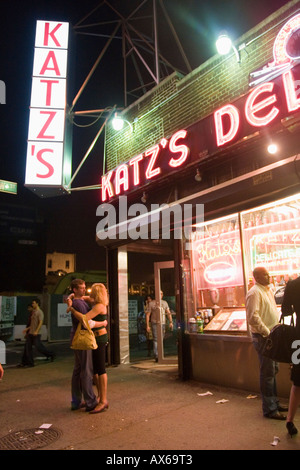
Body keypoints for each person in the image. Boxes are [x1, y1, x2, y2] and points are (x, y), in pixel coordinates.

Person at [246, 267, 288, 420]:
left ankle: (274, 403)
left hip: (272, 336)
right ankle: (269, 409)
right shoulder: (254, 292)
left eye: (268, 273)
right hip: (264, 337)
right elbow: (253, 317)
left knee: (273, 370)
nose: (268, 276)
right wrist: (267, 332)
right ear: (256, 277)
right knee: (267, 373)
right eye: (264, 274)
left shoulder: (268, 290)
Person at [68, 282, 109, 414]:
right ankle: (98, 397)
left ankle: (103, 400)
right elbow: (83, 298)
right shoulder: (96, 302)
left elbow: (86, 320)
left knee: (100, 370)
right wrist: (70, 298)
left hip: (100, 338)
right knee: (95, 370)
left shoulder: (99, 306)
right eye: (84, 289)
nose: (88, 292)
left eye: (91, 291)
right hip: (95, 339)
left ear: (97, 294)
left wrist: (72, 309)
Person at [281, 275, 300, 436]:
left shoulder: (293, 284)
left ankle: (290, 420)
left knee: (297, 380)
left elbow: (285, 310)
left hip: (298, 340)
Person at [18, 298, 54, 367]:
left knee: (39, 347)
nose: (32, 304)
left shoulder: (40, 312)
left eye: (33, 303)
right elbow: (32, 323)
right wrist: (27, 329)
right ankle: (28, 362)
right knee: (27, 348)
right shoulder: (33, 312)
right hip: (30, 333)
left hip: (36, 334)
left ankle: (51, 354)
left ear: (37, 303)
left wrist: (37, 331)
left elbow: (40, 322)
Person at [145, 291, 173, 362]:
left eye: (161, 294)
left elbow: (168, 312)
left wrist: (170, 322)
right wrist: (148, 325)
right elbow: (148, 314)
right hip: (155, 322)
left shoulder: (164, 303)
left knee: (161, 338)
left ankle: (160, 354)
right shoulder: (151, 303)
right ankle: (157, 355)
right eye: (159, 293)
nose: (160, 295)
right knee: (156, 339)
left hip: (162, 323)